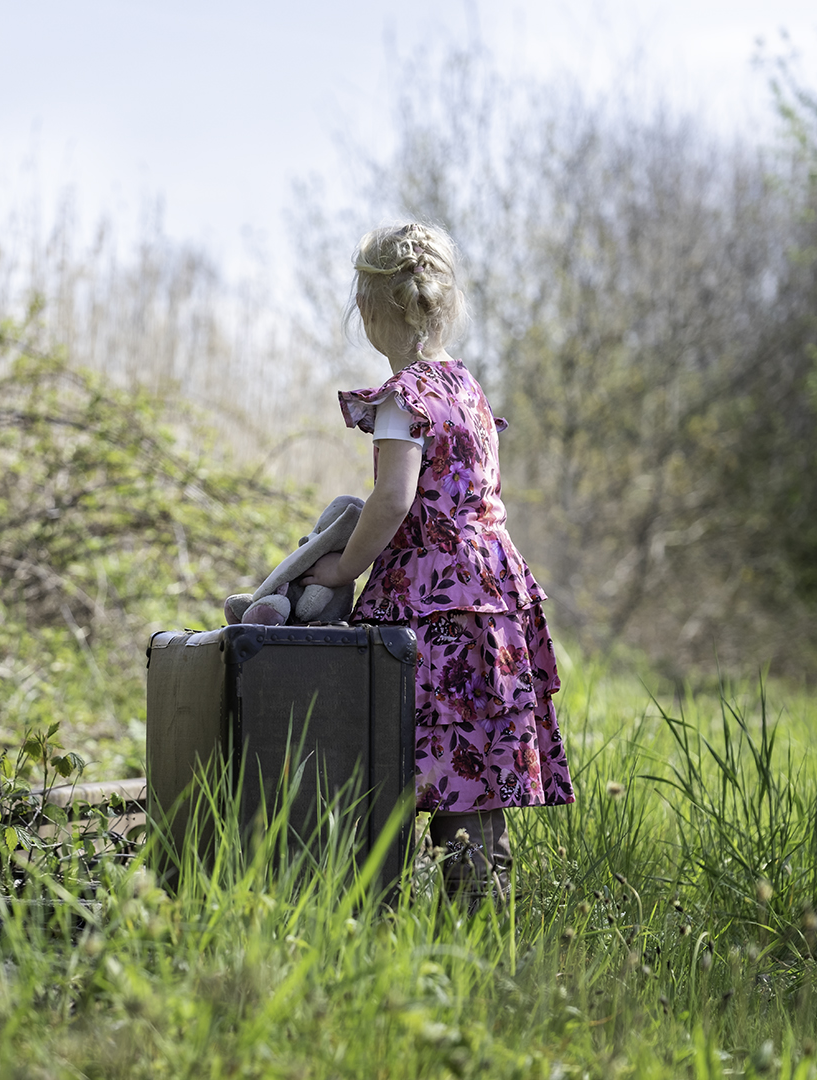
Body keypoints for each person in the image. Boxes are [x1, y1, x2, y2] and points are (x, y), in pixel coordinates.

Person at [300, 221, 575, 909]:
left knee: (390, 763)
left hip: (429, 598)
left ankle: (378, 914)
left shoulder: (403, 398)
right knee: (472, 771)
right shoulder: (468, 389)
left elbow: (393, 500)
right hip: (492, 593)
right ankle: (481, 924)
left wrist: (342, 569)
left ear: (369, 312)